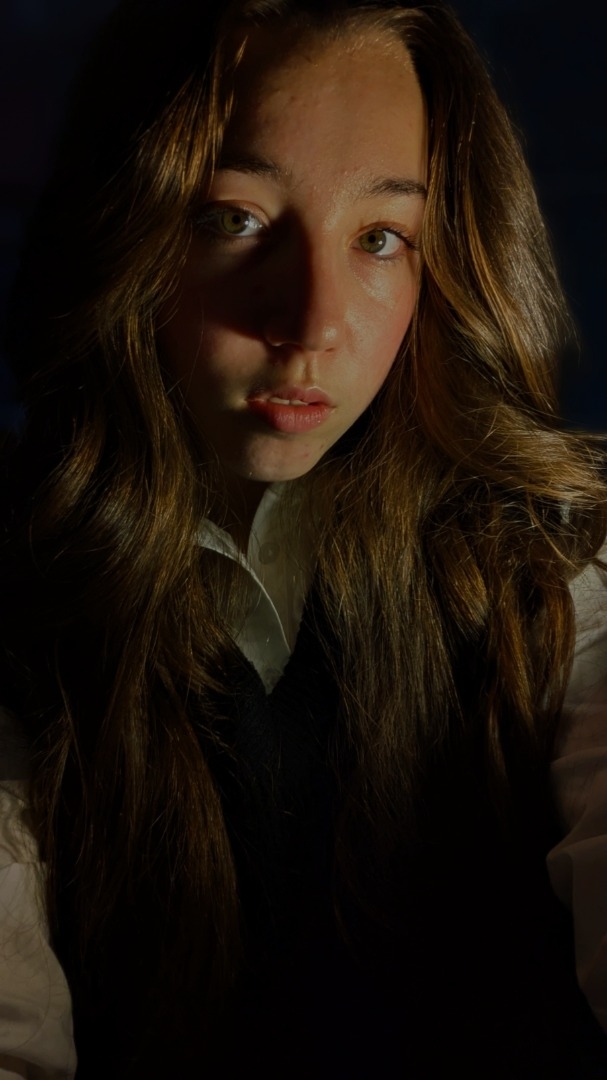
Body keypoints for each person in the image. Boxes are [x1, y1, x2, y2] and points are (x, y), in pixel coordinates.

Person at [1, 0, 606, 1076]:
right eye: (233, 218)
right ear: (126, 226)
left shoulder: (559, 564)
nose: (311, 321)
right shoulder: (24, 589)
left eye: (379, 238)